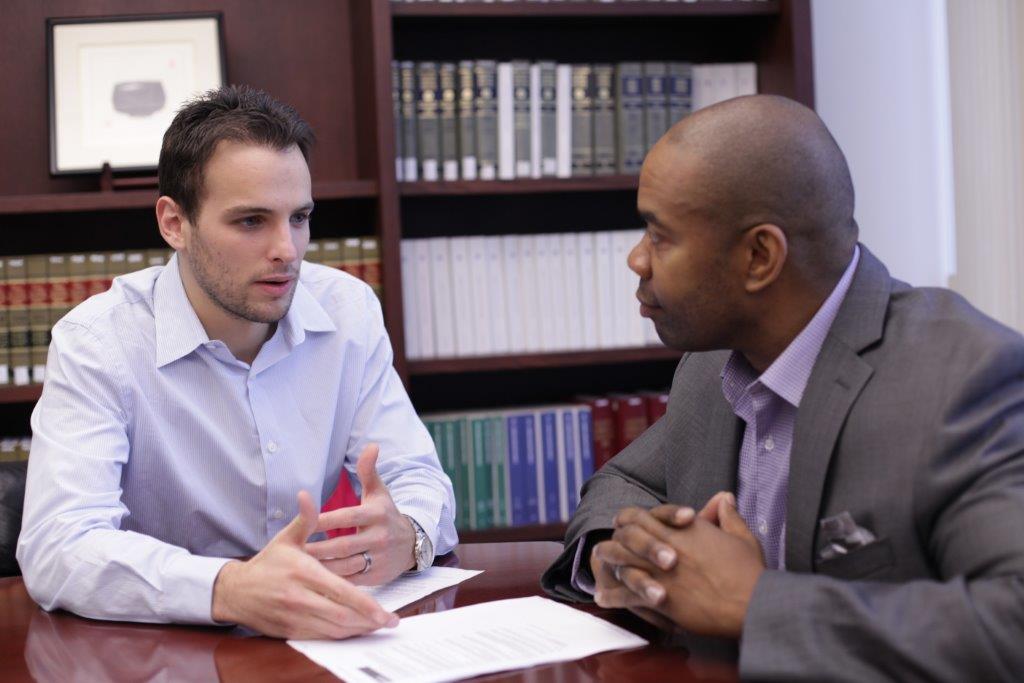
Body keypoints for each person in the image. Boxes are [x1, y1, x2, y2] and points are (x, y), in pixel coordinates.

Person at [541, 94, 1024, 680]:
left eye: (660, 235)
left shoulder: (965, 377)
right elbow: (625, 482)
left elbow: (1010, 621)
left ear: (759, 256)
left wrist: (754, 603)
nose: (637, 259)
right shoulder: (713, 361)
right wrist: (633, 561)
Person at [17, 85, 457, 639]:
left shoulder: (347, 309)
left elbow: (416, 476)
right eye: (252, 221)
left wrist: (409, 534)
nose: (288, 250)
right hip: (164, 653)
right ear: (174, 223)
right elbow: (59, 545)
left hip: (320, 640)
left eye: (299, 218)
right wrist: (228, 588)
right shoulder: (97, 342)